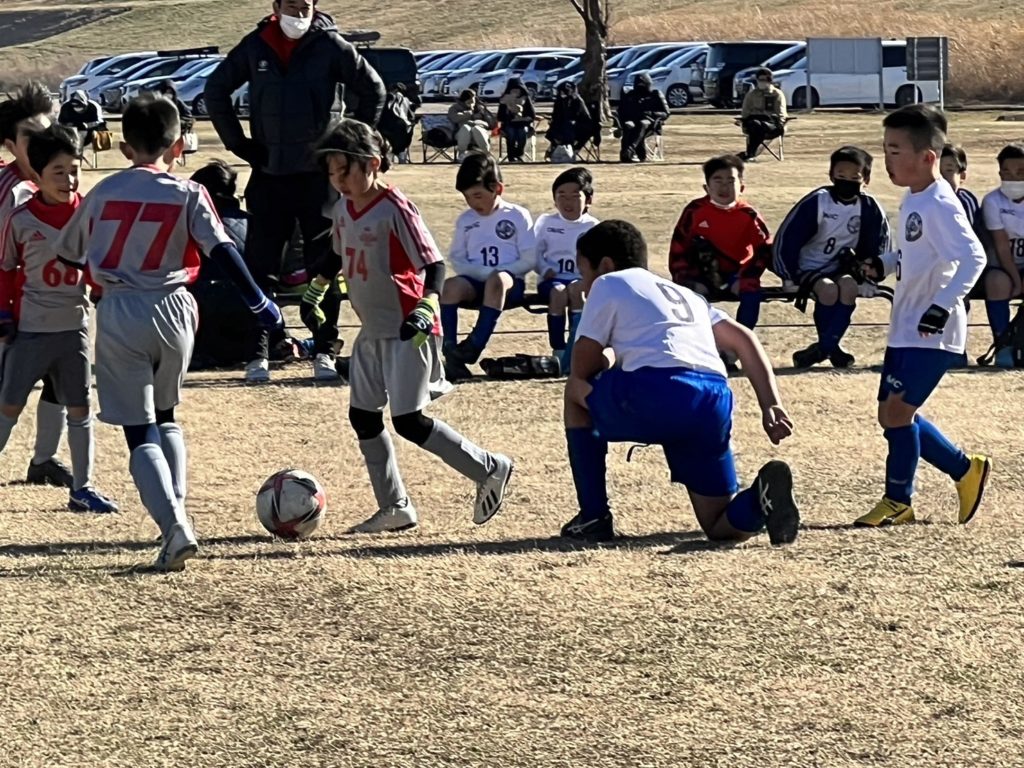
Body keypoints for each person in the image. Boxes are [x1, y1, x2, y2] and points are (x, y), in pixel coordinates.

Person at [54, 94, 284, 571]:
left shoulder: (103, 192)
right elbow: (222, 250)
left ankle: (174, 526)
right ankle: (178, 513)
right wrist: (259, 302)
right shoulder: (188, 192)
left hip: (121, 308)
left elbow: (69, 255)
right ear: (179, 146)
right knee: (167, 414)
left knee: (138, 430)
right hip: (177, 306)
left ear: (124, 147)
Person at [308, 118, 514, 533]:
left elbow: (433, 264)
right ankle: (395, 506)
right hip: (371, 330)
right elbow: (337, 251)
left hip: (409, 328)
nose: (338, 181)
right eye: (331, 173)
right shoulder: (344, 208)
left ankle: (489, 467)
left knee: (408, 421)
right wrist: (319, 284)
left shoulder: (395, 207)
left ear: (373, 163)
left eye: (344, 170)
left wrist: (428, 303)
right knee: (363, 417)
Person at [560, 219, 799, 545]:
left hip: (658, 391)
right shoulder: (686, 295)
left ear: (604, 265)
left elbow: (582, 367)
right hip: (712, 398)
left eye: (583, 272)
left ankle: (593, 516)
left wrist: (610, 357)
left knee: (574, 392)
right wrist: (770, 404)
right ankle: (760, 497)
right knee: (719, 525)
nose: (583, 284)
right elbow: (743, 340)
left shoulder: (608, 283)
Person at [204, 0, 385, 384]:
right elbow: (215, 90)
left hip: (318, 179)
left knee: (324, 268)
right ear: (276, 6)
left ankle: (325, 349)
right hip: (269, 175)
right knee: (260, 267)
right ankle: (259, 352)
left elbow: (373, 89)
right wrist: (239, 144)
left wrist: (348, 148)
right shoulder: (255, 45)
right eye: (292, 6)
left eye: (305, 6)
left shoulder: (332, 46)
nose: (298, 14)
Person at [852, 104, 990, 528]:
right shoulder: (915, 197)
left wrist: (941, 306)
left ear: (928, 157)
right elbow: (917, 252)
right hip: (906, 326)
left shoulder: (941, 204)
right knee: (892, 415)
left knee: (897, 414)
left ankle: (899, 501)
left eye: (895, 151)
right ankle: (965, 469)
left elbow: (973, 257)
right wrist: (884, 263)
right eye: (885, 149)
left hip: (932, 331)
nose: (886, 159)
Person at [0, 125, 118, 513]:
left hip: (75, 330)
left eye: (74, 170)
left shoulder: (90, 214)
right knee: (9, 407)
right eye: (58, 172)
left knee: (80, 409)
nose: (69, 180)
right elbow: (5, 269)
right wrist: (4, 313)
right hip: (31, 332)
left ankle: (83, 489)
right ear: (37, 175)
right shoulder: (20, 220)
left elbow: (100, 268)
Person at [0, 81, 73, 488]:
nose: (44, 144)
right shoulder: (12, 192)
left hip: (48, 309)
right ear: (11, 145)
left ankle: (44, 459)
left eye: (48, 133)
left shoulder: (51, 186)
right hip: (13, 311)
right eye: (31, 137)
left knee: (60, 381)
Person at [773, 145, 890, 369]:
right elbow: (788, 238)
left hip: (843, 267)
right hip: (809, 266)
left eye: (854, 177)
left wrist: (870, 277)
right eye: (841, 176)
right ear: (831, 175)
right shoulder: (817, 201)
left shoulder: (869, 207)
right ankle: (830, 348)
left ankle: (824, 348)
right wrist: (787, 275)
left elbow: (879, 245)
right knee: (828, 290)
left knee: (848, 288)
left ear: (865, 179)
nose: (847, 181)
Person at [439, 152, 535, 380]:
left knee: (497, 279)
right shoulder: (466, 220)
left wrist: (498, 273)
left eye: (478, 196)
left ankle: (474, 345)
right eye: (467, 197)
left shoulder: (518, 215)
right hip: (475, 282)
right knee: (449, 287)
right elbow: (457, 259)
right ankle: (451, 354)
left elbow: (530, 258)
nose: (473, 203)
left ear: (497, 189)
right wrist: (481, 273)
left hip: (508, 285)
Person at [668, 155, 772, 351]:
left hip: (737, 273)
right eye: (718, 180)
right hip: (700, 274)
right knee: (691, 297)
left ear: (742, 187)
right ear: (706, 187)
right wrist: (683, 277)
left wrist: (750, 274)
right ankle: (703, 347)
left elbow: (765, 249)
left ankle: (737, 348)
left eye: (730, 181)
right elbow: (679, 248)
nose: (724, 187)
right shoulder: (694, 211)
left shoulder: (748, 215)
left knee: (751, 293)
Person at [533, 167, 598, 371]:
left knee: (577, 291)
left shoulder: (593, 227)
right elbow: (534, 253)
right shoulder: (546, 223)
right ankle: (559, 350)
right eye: (561, 196)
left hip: (580, 281)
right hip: (552, 280)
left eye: (575, 196)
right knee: (559, 293)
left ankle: (574, 349)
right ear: (554, 200)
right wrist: (544, 269)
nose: (567, 202)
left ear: (588, 200)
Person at [980, 144, 1024, 367]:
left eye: (1020, 172)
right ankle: (1002, 343)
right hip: (1003, 265)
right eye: (1007, 172)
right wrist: (1016, 280)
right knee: (997, 282)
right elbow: (1001, 244)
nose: (1013, 178)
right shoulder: (992, 201)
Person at [616, 73, 669, 163]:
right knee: (629, 127)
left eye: (643, 85)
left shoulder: (655, 94)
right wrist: (625, 121)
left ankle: (629, 152)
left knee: (642, 124)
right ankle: (631, 155)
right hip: (633, 121)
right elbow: (621, 111)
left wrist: (651, 113)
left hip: (651, 123)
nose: (641, 88)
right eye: (639, 85)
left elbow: (666, 113)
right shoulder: (631, 95)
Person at [739, 68, 787, 160]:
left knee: (757, 127)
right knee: (754, 125)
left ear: (770, 80)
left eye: (765, 80)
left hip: (771, 123)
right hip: (753, 121)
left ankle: (749, 153)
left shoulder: (776, 94)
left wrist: (781, 123)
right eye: (760, 80)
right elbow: (745, 111)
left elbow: (781, 112)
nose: (762, 82)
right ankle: (750, 154)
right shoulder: (751, 94)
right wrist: (742, 121)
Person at [545, 81, 592, 161]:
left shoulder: (577, 100)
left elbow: (582, 116)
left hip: (579, 126)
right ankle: (553, 150)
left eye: (563, 92)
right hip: (562, 125)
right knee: (556, 130)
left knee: (568, 128)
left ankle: (573, 149)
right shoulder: (559, 101)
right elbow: (556, 115)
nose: (562, 94)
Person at [447, 89, 495, 158]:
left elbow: (490, 122)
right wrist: (469, 113)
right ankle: (462, 154)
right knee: (465, 128)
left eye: (474, 98)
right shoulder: (455, 108)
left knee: (476, 129)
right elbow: (454, 118)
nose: (472, 101)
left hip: (480, 129)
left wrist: (478, 122)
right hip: (461, 132)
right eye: (469, 99)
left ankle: (486, 154)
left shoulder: (480, 107)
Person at [497, 77, 536, 163]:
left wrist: (523, 118)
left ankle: (519, 154)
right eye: (513, 90)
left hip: (523, 124)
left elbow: (532, 115)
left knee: (522, 133)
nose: (515, 92)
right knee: (511, 133)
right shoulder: (504, 100)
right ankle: (511, 155)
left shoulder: (525, 99)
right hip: (509, 124)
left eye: (517, 90)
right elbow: (500, 116)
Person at [378, 82, 417, 162]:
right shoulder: (406, 101)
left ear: (395, 90)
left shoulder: (389, 97)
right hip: (403, 133)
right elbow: (411, 116)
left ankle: (390, 156)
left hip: (387, 132)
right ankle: (401, 157)